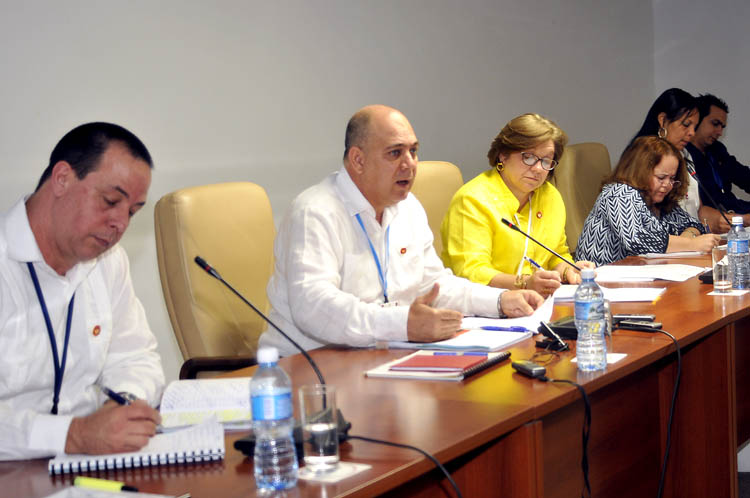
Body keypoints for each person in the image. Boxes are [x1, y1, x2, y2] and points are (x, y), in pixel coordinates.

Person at [258, 105, 544, 357]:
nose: (409, 164)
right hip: (312, 368)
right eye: (395, 153)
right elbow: (315, 307)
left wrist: (499, 301)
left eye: (414, 151)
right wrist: (403, 324)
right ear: (358, 160)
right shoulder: (315, 212)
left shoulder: (407, 207)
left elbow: (433, 286)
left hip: (383, 355)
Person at [0, 123, 165, 461]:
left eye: (132, 211)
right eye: (111, 200)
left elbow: (135, 356)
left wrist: (122, 408)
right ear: (62, 178)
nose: (120, 223)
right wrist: (73, 435)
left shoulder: (107, 261)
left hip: (90, 464)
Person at [440, 113, 593, 298]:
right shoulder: (472, 199)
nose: (537, 168)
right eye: (528, 157)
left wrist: (568, 270)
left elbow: (555, 254)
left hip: (536, 304)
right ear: (503, 155)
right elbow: (470, 272)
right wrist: (524, 283)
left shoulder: (550, 196)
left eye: (546, 161)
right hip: (483, 306)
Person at [576, 136, 720, 265]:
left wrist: (689, 236)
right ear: (640, 171)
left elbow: (693, 224)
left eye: (672, 179)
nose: (667, 185)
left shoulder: (659, 198)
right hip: (599, 280)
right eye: (661, 178)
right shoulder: (619, 193)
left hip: (640, 279)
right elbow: (639, 240)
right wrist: (690, 244)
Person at [626, 88, 702, 219]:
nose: (692, 133)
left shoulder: (684, 155)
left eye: (694, 127)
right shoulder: (641, 158)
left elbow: (692, 212)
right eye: (686, 125)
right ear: (662, 120)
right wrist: (689, 239)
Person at [685, 94, 750, 233]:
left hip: (737, 211)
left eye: (722, 126)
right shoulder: (684, 155)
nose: (720, 132)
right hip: (713, 222)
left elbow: (743, 175)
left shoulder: (717, 149)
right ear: (697, 121)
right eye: (715, 124)